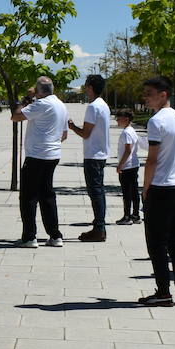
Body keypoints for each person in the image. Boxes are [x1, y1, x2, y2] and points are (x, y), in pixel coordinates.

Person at [139, 77, 175, 306]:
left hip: (161, 187)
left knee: (157, 242)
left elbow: (152, 160)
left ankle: (163, 292)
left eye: (149, 93)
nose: (146, 97)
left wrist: (145, 188)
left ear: (163, 94)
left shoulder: (156, 121)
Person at [12, 76, 68, 248]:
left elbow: (16, 116)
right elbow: (64, 135)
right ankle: (55, 235)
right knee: (47, 195)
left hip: (37, 156)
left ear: (38, 90)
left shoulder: (41, 104)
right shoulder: (61, 104)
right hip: (52, 155)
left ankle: (29, 237)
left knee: (28, 197)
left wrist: (27, 98)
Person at [68, 74, 111, 242]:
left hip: (93, 155)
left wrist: (72, 127)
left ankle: (99, 228)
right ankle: (99, 226)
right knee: (99, 191)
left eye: (86, 86)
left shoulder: (93, 107)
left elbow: (86, 133)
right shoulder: (103, 105)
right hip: (100, 154)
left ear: (91, 87)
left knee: (95, 192)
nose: (85, 89)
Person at [115, 109, 141, 224]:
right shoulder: (132, 130)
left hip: (127, 166)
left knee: (127, 192)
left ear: (126, 119)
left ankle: (127, 216)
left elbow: (127, 150)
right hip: (134, 164)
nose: (117, 120)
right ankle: (135, 215)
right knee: (134, 191)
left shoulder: (126, 133)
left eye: (118, 118)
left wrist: (120, 165)